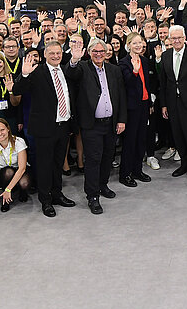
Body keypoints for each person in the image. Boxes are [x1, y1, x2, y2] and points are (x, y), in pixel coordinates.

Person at [12, 41, 78, 216]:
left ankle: (57, 194)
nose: (56, 56)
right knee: (44, 165)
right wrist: (24, 74)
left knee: (58, 163)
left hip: (63, 126)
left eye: (58, 53)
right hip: (44, 128)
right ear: (45, 55)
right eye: (52, 53)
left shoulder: (65, 70)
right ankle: (45, 200)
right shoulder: (36, 71)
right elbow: (18, 90)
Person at [65, 38, 127, 215]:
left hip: (111, 123)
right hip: (91, 125)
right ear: (89, 53)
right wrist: (74, 59)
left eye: (102, 51)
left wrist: (121, 120)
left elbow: (121, 95)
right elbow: (71, 73)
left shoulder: (114, 70)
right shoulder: (83, 67)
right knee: (93, 160)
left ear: (106, 53)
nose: (99, 54)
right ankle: (92, 196)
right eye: (95, 51)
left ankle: (102, 185)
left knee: (108, 156)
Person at [158, 25, 187, 185]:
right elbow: (163, 83)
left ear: (184, 38)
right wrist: (164, 105)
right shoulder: (165, 55)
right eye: (174, 38)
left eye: (179, 37)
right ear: (169, 39)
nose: (177, 40)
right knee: (178, 137)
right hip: (172, 103)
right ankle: (184, 165)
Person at [118, 32, 158, 186]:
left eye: (140, 42)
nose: (138, 45)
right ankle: (125, 174)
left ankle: (137, 170)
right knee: (130, 141)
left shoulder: (145, 61)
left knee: (141, 140)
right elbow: (126, 84)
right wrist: (134, 71)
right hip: (131, 108)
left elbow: (147, 84)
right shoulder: (123, 63)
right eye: (134, 43)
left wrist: (149, 105)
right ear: (128, 45)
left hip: (144, 106)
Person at [0, 117, 30, 212]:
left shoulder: (19, 142)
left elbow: (22, 168)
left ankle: (20, 191)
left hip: (19, 171)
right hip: (3, 174)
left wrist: (8, 189)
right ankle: (5, 196)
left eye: (2, 130)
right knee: (8, 172)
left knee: (24, 183)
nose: (0, 133)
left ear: (8, 129)